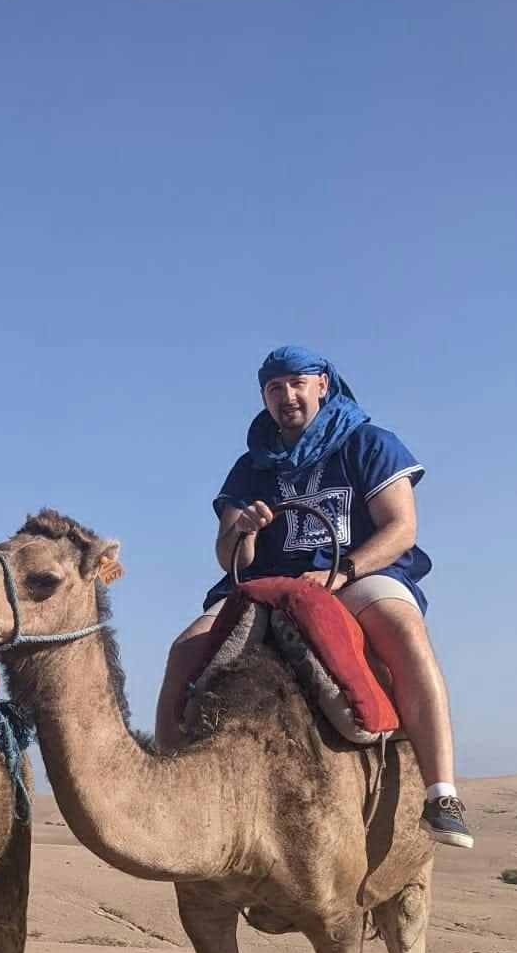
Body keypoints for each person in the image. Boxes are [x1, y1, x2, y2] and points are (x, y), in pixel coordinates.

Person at [156, 345, 473, 848]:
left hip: (355, 573)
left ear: (322, 385)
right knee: (186, 648)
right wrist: (246, 530)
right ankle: (170, 790)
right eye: (275, 388)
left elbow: (401, 529)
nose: (287, 396)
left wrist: (342, 573)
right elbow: (227, 554)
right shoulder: (250, 468)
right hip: (265, 583)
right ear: (264, 396)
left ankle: (441, 792)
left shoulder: (369, 444)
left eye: (297, 384)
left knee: (405, 629)